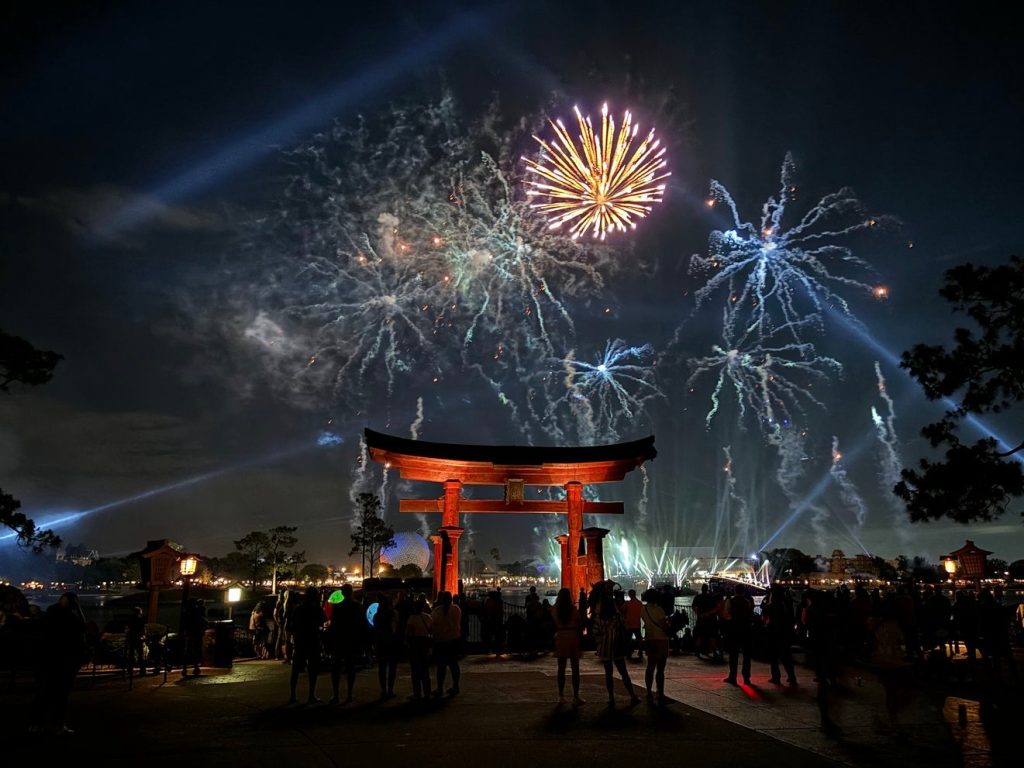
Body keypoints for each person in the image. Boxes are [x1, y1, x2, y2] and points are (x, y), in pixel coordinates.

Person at [35, 592, 86, 735]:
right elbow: (82, 628)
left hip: (47, 659)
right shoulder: (71, 619)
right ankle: (58, 725)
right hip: (64, 661)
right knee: (61, 695)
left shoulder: (50, 615)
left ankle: (36, 724)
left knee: (43, 692)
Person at [593, 593, 640, 706]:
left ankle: (611, 697)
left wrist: (602, 640)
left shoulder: (599, 618)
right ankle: (632, 695)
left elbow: (595, 633)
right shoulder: (618, 617)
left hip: (605, 648)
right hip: (617, 647)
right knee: (623, 672)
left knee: (608, 674)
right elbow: (626, 627)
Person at [327, 584, 365, 704]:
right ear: (352, 592)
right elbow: (361, 625)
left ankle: (336, 695)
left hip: (339, 640)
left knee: (336, 669)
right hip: (352, 640)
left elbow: (333, 626)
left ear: (342, 593)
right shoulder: (358, 606)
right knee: (350, 668)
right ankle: (349, 694)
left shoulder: (337, 608)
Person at [288, 587, 324, 704]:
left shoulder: (298, 609)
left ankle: (293, 695)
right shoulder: (316, 609)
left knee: (296, 670)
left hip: (300, 641)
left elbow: (291, 625)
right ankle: (311, 695)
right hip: (313, 640)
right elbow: (323, 621)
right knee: (313, 670)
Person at [551, 587, 585, 705]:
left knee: (561, 668)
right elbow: (579, 623)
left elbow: (552, 624)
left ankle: (561, 696)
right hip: (572, 636)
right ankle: (576, 696)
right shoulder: (573, 609)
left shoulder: (555, 609)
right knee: (575, 669)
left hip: (560, 636)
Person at [763, 586, 798, 685]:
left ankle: (776, 677)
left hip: (773, 633)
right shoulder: (786, 604)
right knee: (786, 656)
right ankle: (792, 676)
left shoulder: (769, 606)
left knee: (773, 656)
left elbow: (764, 619)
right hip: (784, 633)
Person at [640, 589, 671, 703]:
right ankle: (660, 693)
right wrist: (669, 623)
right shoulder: (659, 609)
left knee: (650, 667)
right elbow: (664, 625)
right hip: (661, 639)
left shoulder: (643, 609)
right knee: (660, 669)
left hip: (649, 639)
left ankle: (648, 692)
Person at [431, 591, 462, 696]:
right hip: (454, 640)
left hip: (441, 641)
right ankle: (456, 686)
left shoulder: (436, 611)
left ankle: (440, 688)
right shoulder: (456, 609)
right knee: (454, 665)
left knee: (441, 666)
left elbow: (432, 625)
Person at [722, 586, 754, 685]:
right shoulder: (747, 602)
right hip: (746, 630)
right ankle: (746, 678)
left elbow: (726, 616)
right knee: (747, 656)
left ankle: (733, 677)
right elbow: (749, 615)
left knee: (733, 655)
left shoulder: (729, 601)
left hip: (734, 631)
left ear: (734, 591)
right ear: (744, 592)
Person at [405, 597, 433, 700]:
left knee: (415, 670)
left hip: (415, 644)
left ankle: (417, 692)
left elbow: (409, 632)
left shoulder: (412, 618)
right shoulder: (428, 617)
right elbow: (431, 630)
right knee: (425, 669)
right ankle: (427, 692)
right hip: (425, 643)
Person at [372, 595, 399, 699]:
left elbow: (375, 630)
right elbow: (395, 628)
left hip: (381, 643)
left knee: (382, 668)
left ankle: (383, 690)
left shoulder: (376, 616)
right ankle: (390, 689)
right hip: (391, 643)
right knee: (392, 668)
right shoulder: (394, 614)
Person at [181, 598, 206, 677]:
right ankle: (195, 667)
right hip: (195, 633)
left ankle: (185, 668)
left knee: (187, 650)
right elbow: (202, 621)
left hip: (189, 633)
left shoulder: (186, 611)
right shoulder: (197, 611)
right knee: (195, 650)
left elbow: (184, 622)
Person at [622, 589, 644, 661]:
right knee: (639, 638)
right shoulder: (639, 603)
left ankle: (629, 651)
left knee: (628, 639)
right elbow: (642, 613)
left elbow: (622, 610)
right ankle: (640, 651)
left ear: (629, 595)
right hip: (637, 623)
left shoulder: (627, 603)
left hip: (629, 624)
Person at [125, 606, 146, 676]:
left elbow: (128, 629)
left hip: (132, 638)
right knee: (140, 654)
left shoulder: (130, 619)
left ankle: (129, 669)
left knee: (131, 654)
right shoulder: (140, 619)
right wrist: (143, 636)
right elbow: (142, 630)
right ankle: (142, 670)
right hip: (138, 638)